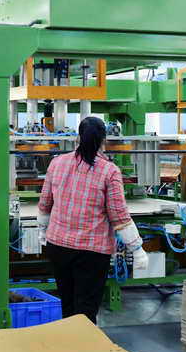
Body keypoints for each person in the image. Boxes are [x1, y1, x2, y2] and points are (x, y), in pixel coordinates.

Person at [38, 116, 142, 324]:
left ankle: (69, 342)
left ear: (78, 137)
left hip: (58, 246)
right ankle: (83, 343)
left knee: (68, 304)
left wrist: (42, 229)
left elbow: (45, 203)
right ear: (104, 140)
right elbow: (118, 216)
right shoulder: (109, 171)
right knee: (86, 309)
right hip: (91, 252)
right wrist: (137, 249)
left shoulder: (57, 163)